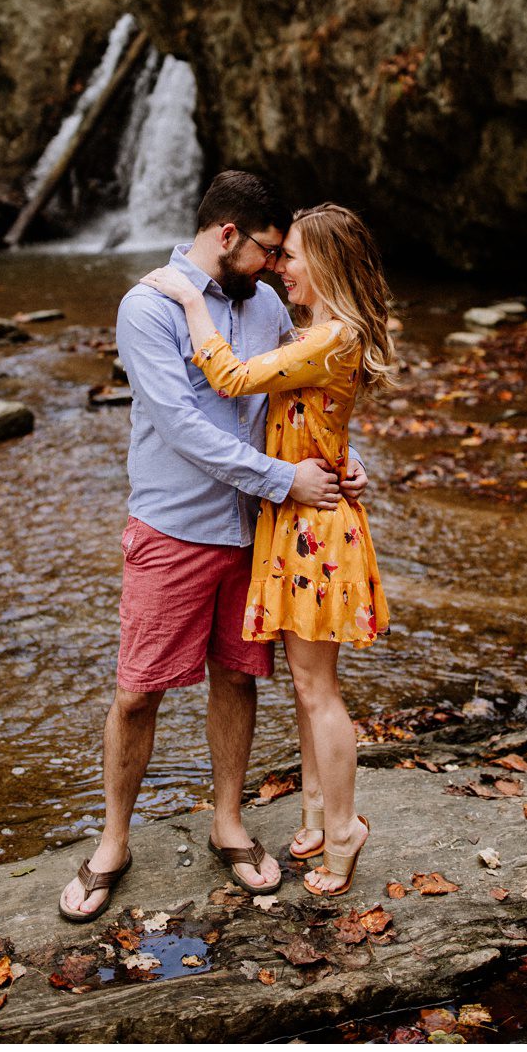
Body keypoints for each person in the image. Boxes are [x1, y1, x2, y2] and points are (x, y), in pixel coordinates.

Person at [59, 171, 369, 923]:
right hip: (176, 527)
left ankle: (229, 824)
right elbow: (180, 425)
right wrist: (282, 480)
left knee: (238, 678)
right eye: (268, 249)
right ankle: (112, 842)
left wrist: (337, 463)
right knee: (138, 689)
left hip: (259, 532)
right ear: (227, 236)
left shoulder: (268, 304)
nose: (275, 265)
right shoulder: (149, 303)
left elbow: (298, 399)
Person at [139, 202, 397, 897]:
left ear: (326, 265)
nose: (280, 266)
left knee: (317, 689)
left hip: (313, 528)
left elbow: (229, 379)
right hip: (300, 517)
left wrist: (192, 300)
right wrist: (345, 459)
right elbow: (308, 420)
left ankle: (343, 831)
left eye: (293, 255)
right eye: (276, 254)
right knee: (308, 688)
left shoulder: (328, 335)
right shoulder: (323, 333)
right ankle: (315, 814)